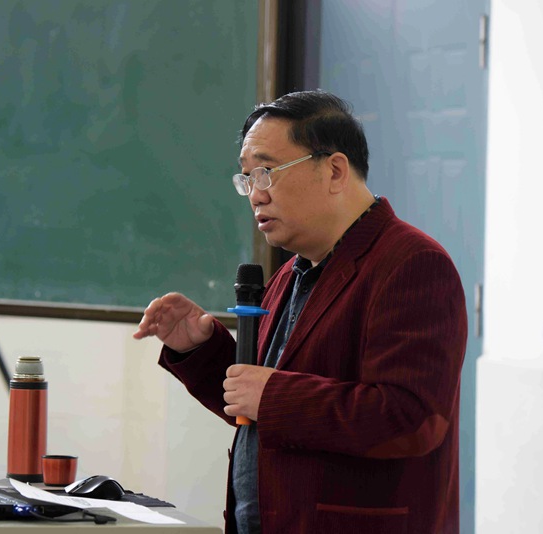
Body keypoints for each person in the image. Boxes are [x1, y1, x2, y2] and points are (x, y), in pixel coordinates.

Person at [133, 90, 467, 533]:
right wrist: (200, 351)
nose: (255, 195)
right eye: (246, 178)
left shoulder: (412, 263)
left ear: (334, 170)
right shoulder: (292, 273)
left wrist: (272, 395)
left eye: (266, 172)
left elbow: (410, 419)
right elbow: (257, 409)